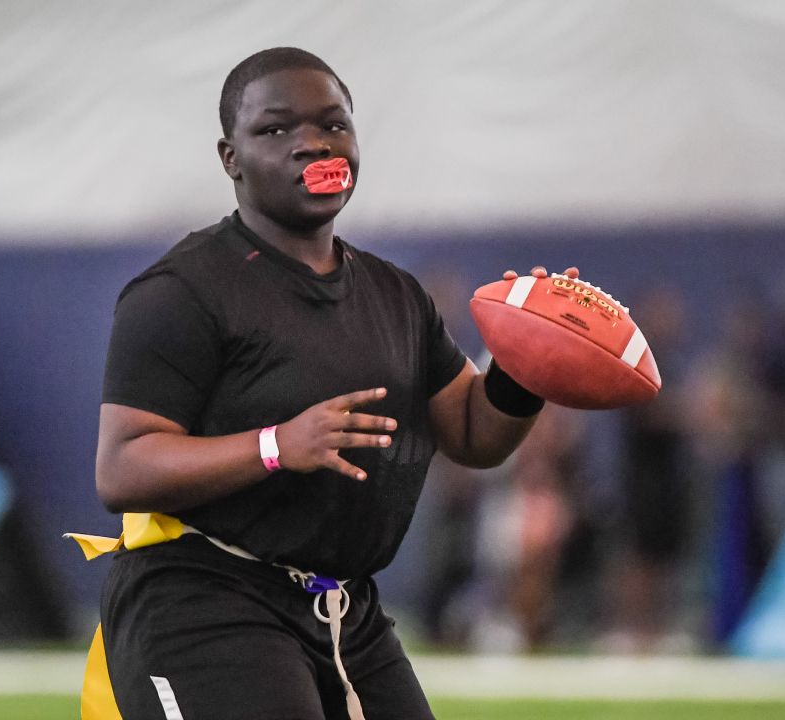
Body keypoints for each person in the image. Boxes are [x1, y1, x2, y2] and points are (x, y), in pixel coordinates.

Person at [72, 48, 557, 720]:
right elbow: (121, 469)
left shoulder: (396, 294)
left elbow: (474, 434)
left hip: (345, 612)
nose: (311, 143)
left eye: (333, 124)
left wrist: (527, 364)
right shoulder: (180, 291)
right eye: (276, 130)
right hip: (204, 599)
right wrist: (274, 445)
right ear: (229, 157)